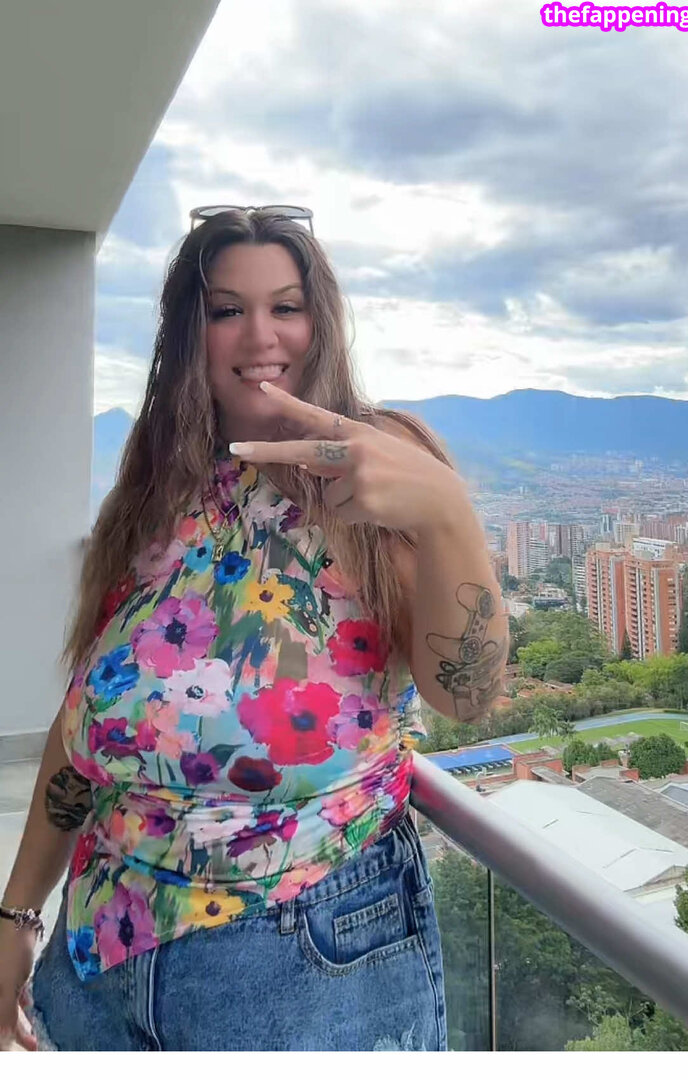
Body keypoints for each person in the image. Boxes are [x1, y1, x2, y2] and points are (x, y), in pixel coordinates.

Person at [0, 206, 508, 1052]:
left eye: (286, 306)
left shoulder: (378, 458)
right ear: (189, 334)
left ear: (321, 322)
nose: (261, 335)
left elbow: (467, 697)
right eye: (227, 309)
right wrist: (17, 913)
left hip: (301, 960)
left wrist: (447, 514)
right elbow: (86, 719)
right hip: (94, 957)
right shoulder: (161, 484)